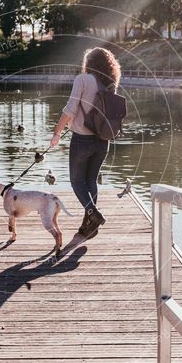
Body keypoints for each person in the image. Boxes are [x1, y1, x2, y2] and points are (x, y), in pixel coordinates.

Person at [50, 47, 121, 239]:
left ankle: (94, 215)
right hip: (103, 141)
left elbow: (70, 109)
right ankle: (88, 226)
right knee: (90, 181)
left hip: (82, 140)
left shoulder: (83, 79)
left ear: (89, 64)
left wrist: (57, 133)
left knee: (76, 182)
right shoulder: (111, 83)